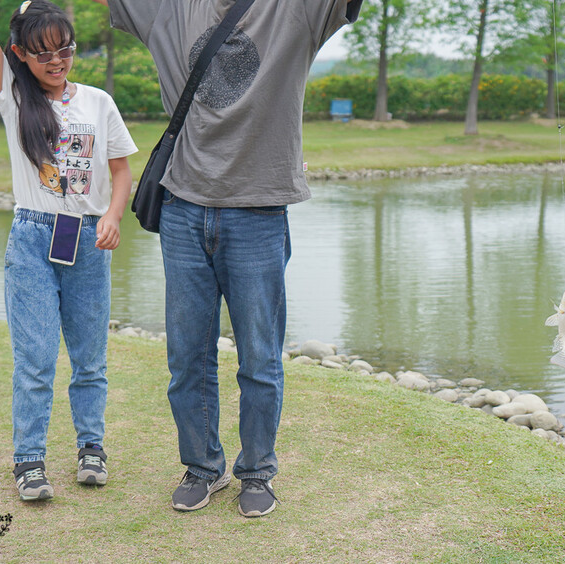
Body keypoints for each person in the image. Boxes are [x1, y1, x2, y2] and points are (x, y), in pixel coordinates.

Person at [89, 0, 362, 516]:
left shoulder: (297, 11)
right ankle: (202, 466)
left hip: (257, 212)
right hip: (183, 210)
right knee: (186, 357)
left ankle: (257, 472)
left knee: (259, 358)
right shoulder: (169, 10)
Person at [0, 0, 138, 501]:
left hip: (87, 238)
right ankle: (29, 460)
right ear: (20, 54)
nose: (56, 60)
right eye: (42, 53)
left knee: (90, 359)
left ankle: (91, 448)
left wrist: (112, 215)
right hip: (33, 238)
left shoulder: (99, 102)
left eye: (64, 49)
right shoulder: (13, 97)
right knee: (36, 358)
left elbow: (122, 172)